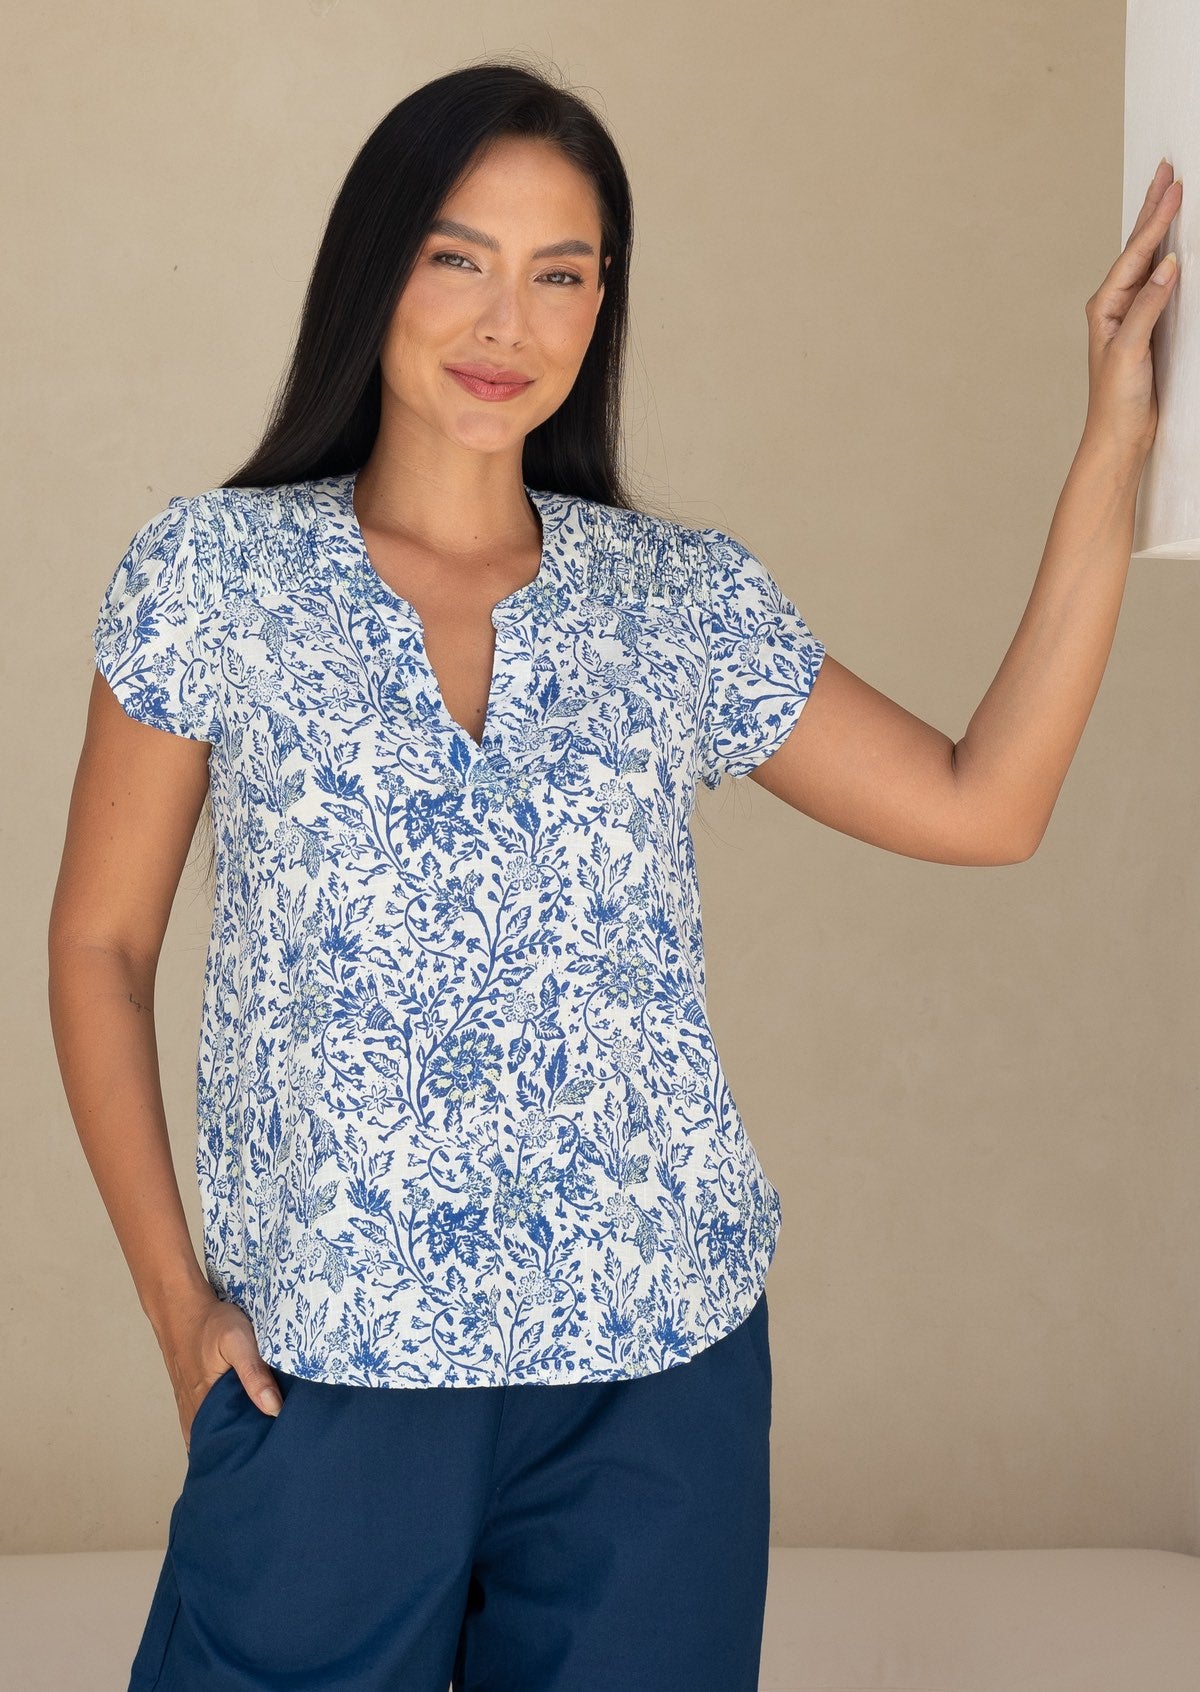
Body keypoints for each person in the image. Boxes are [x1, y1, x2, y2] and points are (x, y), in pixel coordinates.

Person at [47, 54, 1180, 1692]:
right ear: (376, 267)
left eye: (562, 275)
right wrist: (178, 1311)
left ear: (601, 311)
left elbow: (982, 801)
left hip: (656, 1386)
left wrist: (1108, 450)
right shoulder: (213, 577)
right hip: (335, 1365)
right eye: (462, 259)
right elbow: (99, 948)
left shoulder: (680, 603)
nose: (511, 322)